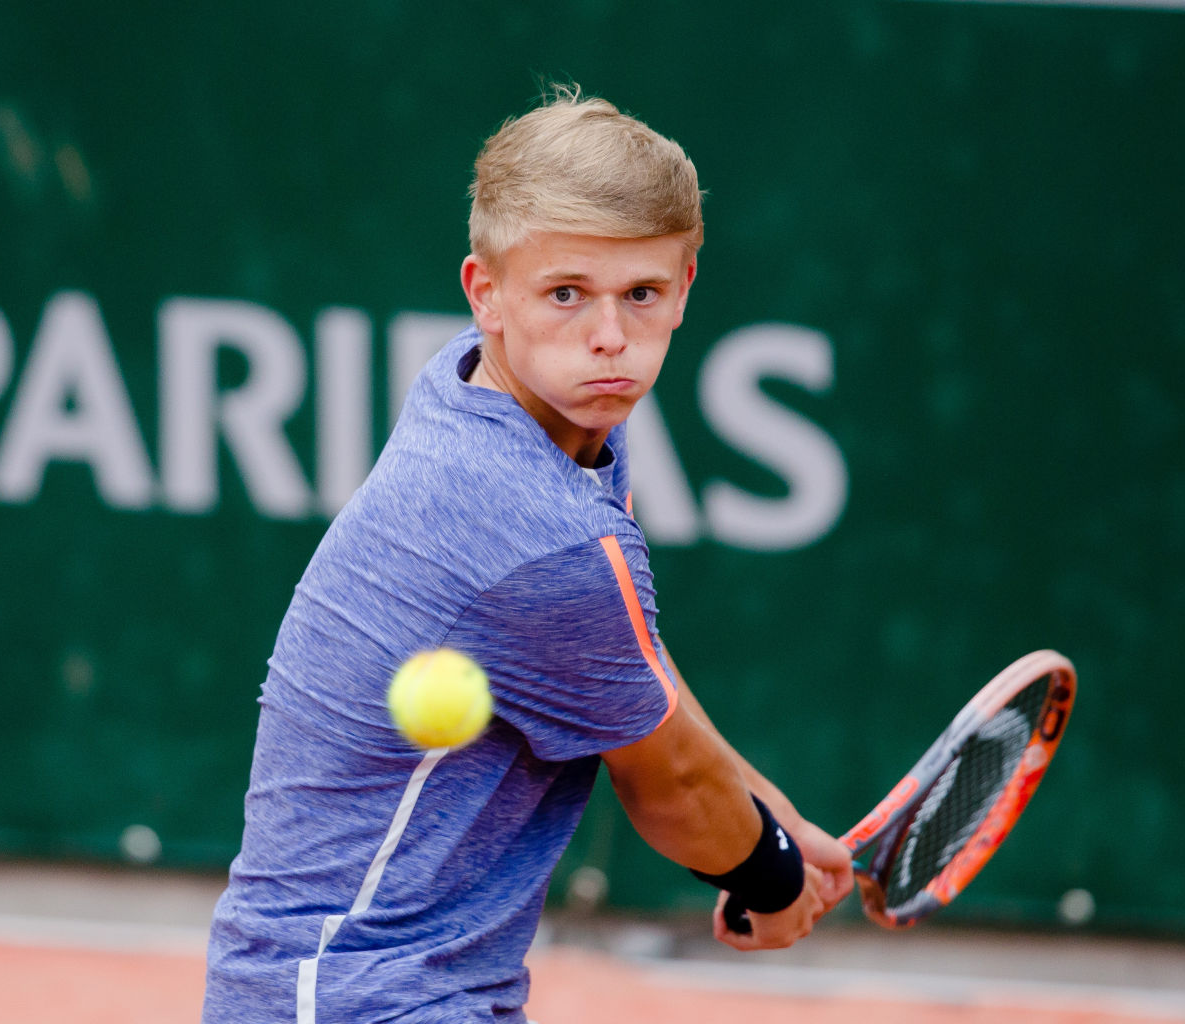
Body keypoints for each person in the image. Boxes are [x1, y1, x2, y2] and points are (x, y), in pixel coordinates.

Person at [201, 86, 853, 1024]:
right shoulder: (540, 533)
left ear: (686, 288)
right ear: (486, 291)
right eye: (565, 295)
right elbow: (667, 784)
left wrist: (768, 811)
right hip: (358, 994)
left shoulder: (498, 394)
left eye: (642, 295)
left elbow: (637, 670)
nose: (608, 337)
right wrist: (771, 874)